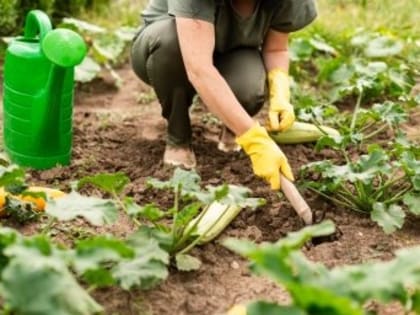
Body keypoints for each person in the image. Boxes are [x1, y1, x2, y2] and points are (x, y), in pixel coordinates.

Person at [131, 0, 317, 190]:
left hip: (232, 50)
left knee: (249, 89)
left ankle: (232, 126)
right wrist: (254, 140)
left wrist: (280, 94)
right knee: (171, 41)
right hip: (169, 47)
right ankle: (178, 136)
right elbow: (199, 69)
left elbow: (276, 49)